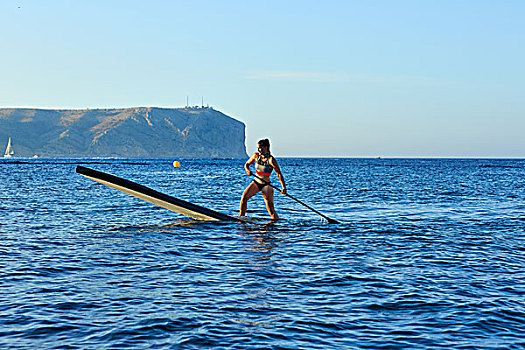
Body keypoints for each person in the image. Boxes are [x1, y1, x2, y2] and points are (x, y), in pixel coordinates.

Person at [239, 139, 286, 220]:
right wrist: (248, 171)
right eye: (258, 148)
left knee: (270, 209)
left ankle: (276, 223)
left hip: (266, 185)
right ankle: (241, 218)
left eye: (260, 148)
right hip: (256, 182)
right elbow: (247, 164)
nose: (259, 150)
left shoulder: (271, 160)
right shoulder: (256, 156)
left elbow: (279, 174)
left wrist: (284, 188)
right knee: (244, 198)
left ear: (266, 147)